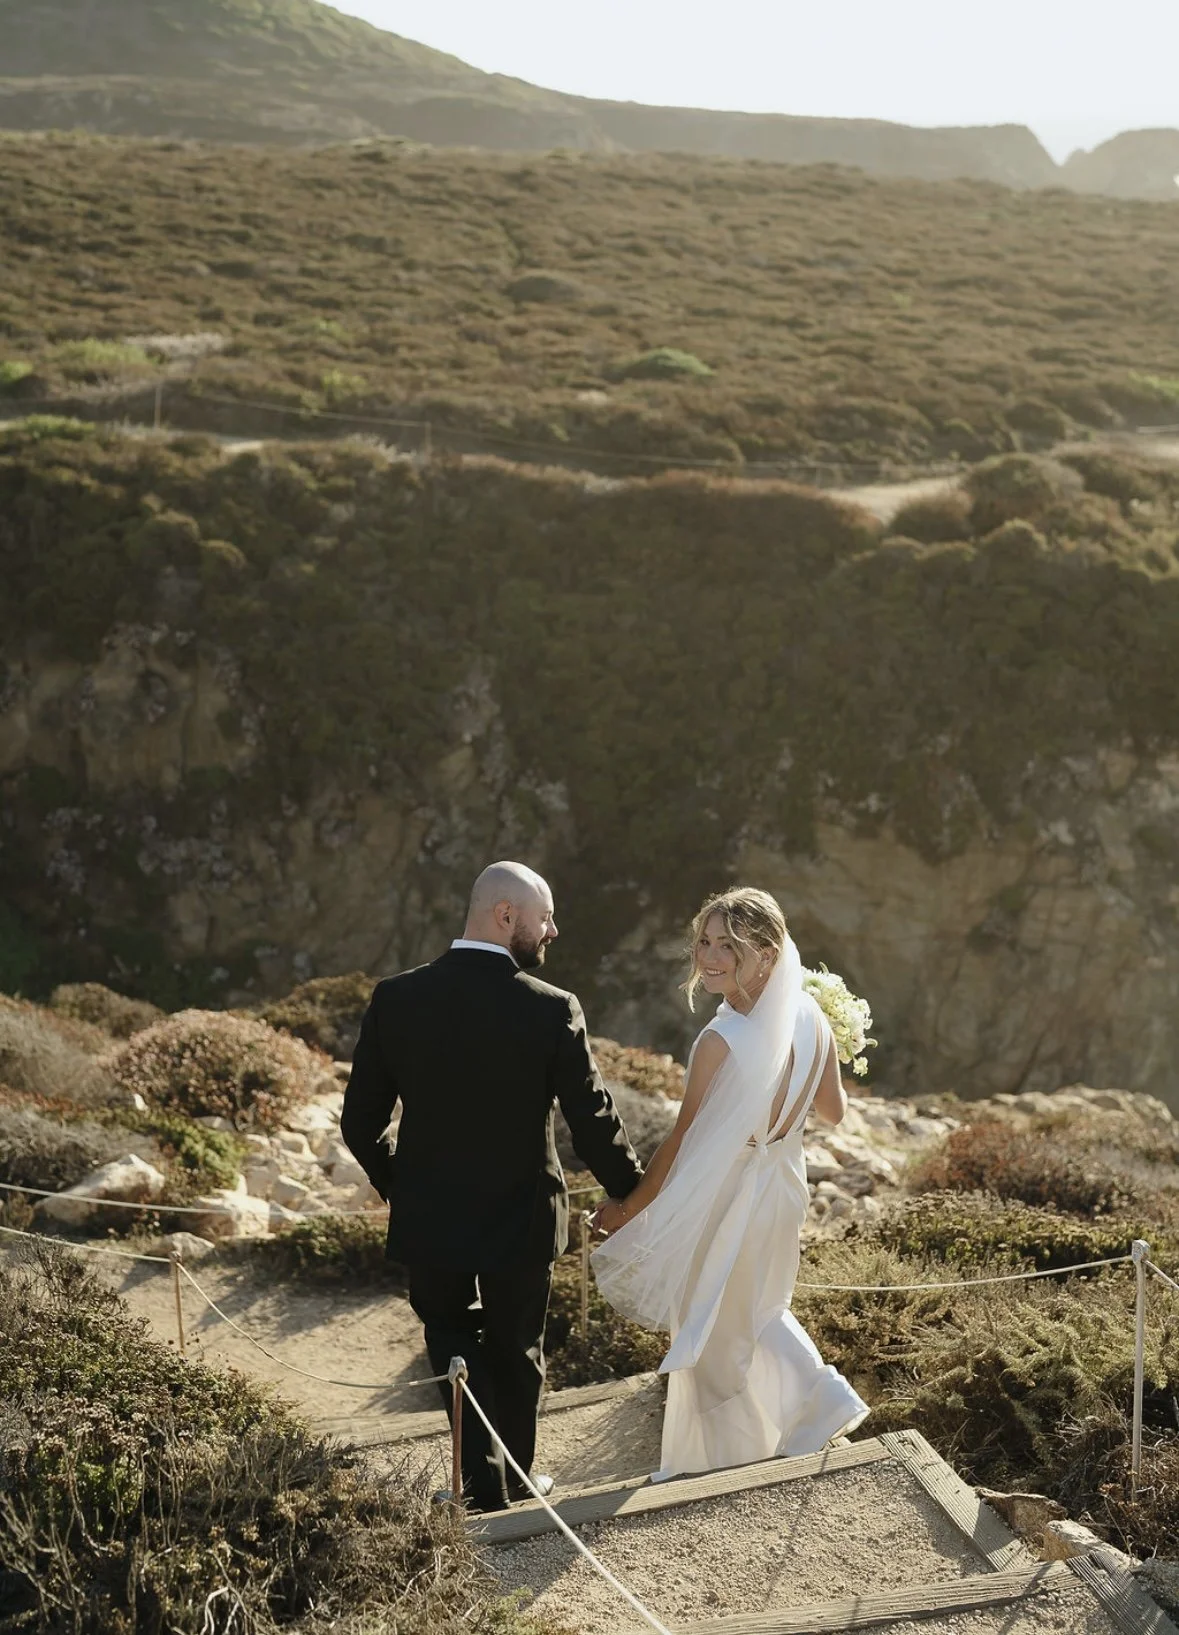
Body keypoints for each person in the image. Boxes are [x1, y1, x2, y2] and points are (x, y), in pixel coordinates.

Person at [340, 861, 643, 1512]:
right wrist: (631, 1190)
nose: (552, 929)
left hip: (432, 1216)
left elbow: (359, 1121)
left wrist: (404, 1184)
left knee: (448, 1338)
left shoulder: (397, 998)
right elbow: (591, 1119)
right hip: (523, 1215)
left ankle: (479, 1484)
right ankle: (513, 1482)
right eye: (545, 916)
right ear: (506, 915)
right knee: (515, 1348)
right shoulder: (551, 1008)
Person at [591, 886, 868, 1480]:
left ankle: (817, 1400)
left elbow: (681, 1141)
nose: (710, 957)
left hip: (731, 1192)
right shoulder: (812, 1018)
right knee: (755, 1311)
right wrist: (819, 1054)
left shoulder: (720, 1042)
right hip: (784, 1188)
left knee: (713, 1320)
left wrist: (629, 1208)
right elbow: (834, 1111)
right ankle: (756, 1440)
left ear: (768, 954)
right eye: (705, 942)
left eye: (729, 946)